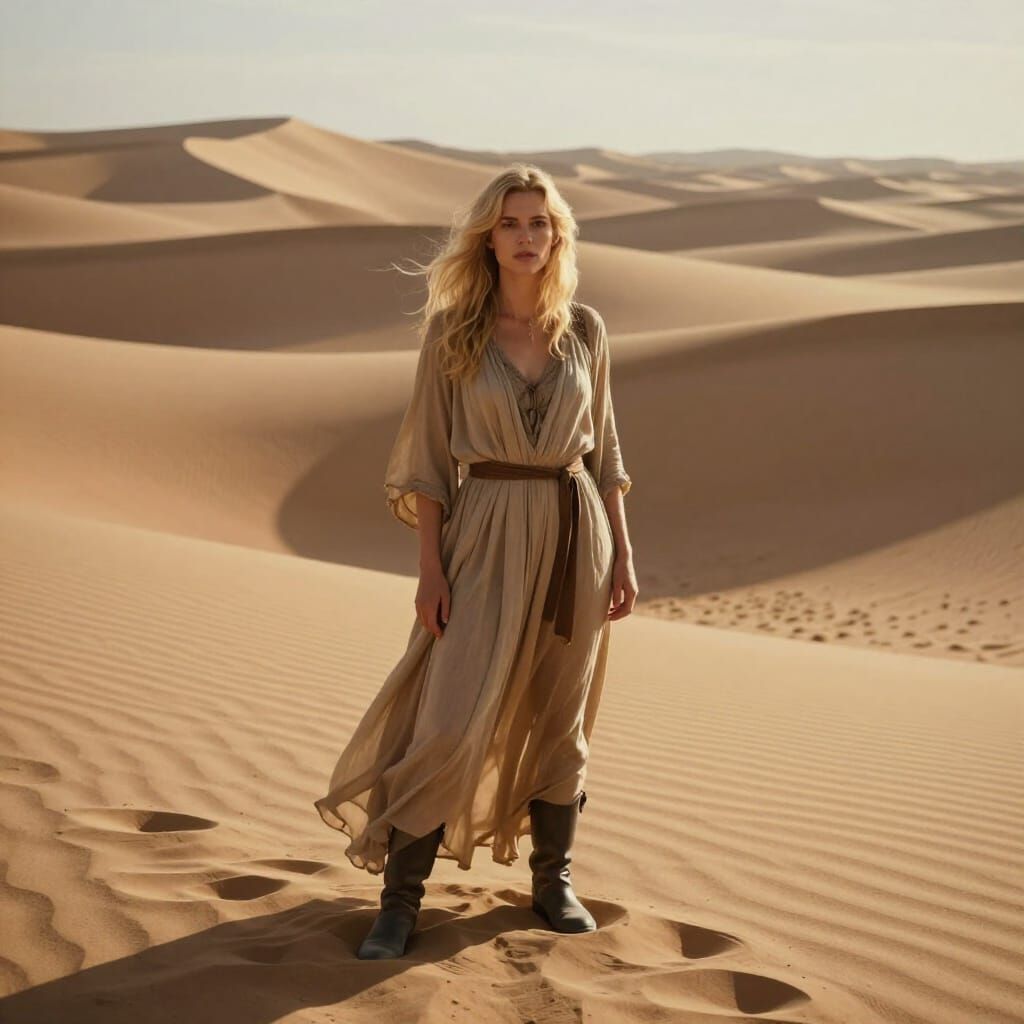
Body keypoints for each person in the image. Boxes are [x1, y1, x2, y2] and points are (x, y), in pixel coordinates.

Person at [313, 163, 637, 960]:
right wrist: (431, 568)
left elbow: (608, 457)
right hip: (483, 533)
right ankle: (400, 902)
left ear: (557, 236)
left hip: (576, 539)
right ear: (487, 239)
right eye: (511, 224)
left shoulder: (587, 332)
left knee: (562, 715)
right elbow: (426, 462)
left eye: (540, 224)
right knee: (449, 716)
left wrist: (624, 556)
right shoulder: (454, 333)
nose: (527, 238)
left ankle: (551, 879)